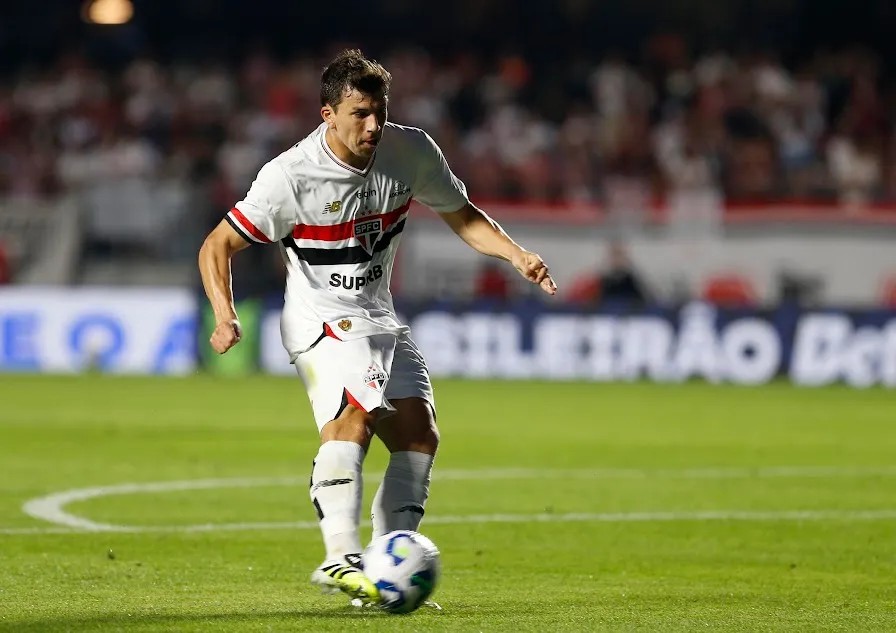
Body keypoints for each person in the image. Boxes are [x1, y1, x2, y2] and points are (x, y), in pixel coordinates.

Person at [197, 49, 556, 606]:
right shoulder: (289, 176)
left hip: (377, 314)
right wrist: (225, 313)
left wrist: (516, 255)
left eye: (380, 112)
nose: (373, 125)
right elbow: (217, 244)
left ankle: (384, 574)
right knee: (355, 417)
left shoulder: (410, 152)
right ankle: (339, 556)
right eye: (360, 113)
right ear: (327, 115)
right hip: (319, 318)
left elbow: (462, 215)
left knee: (418, 435)